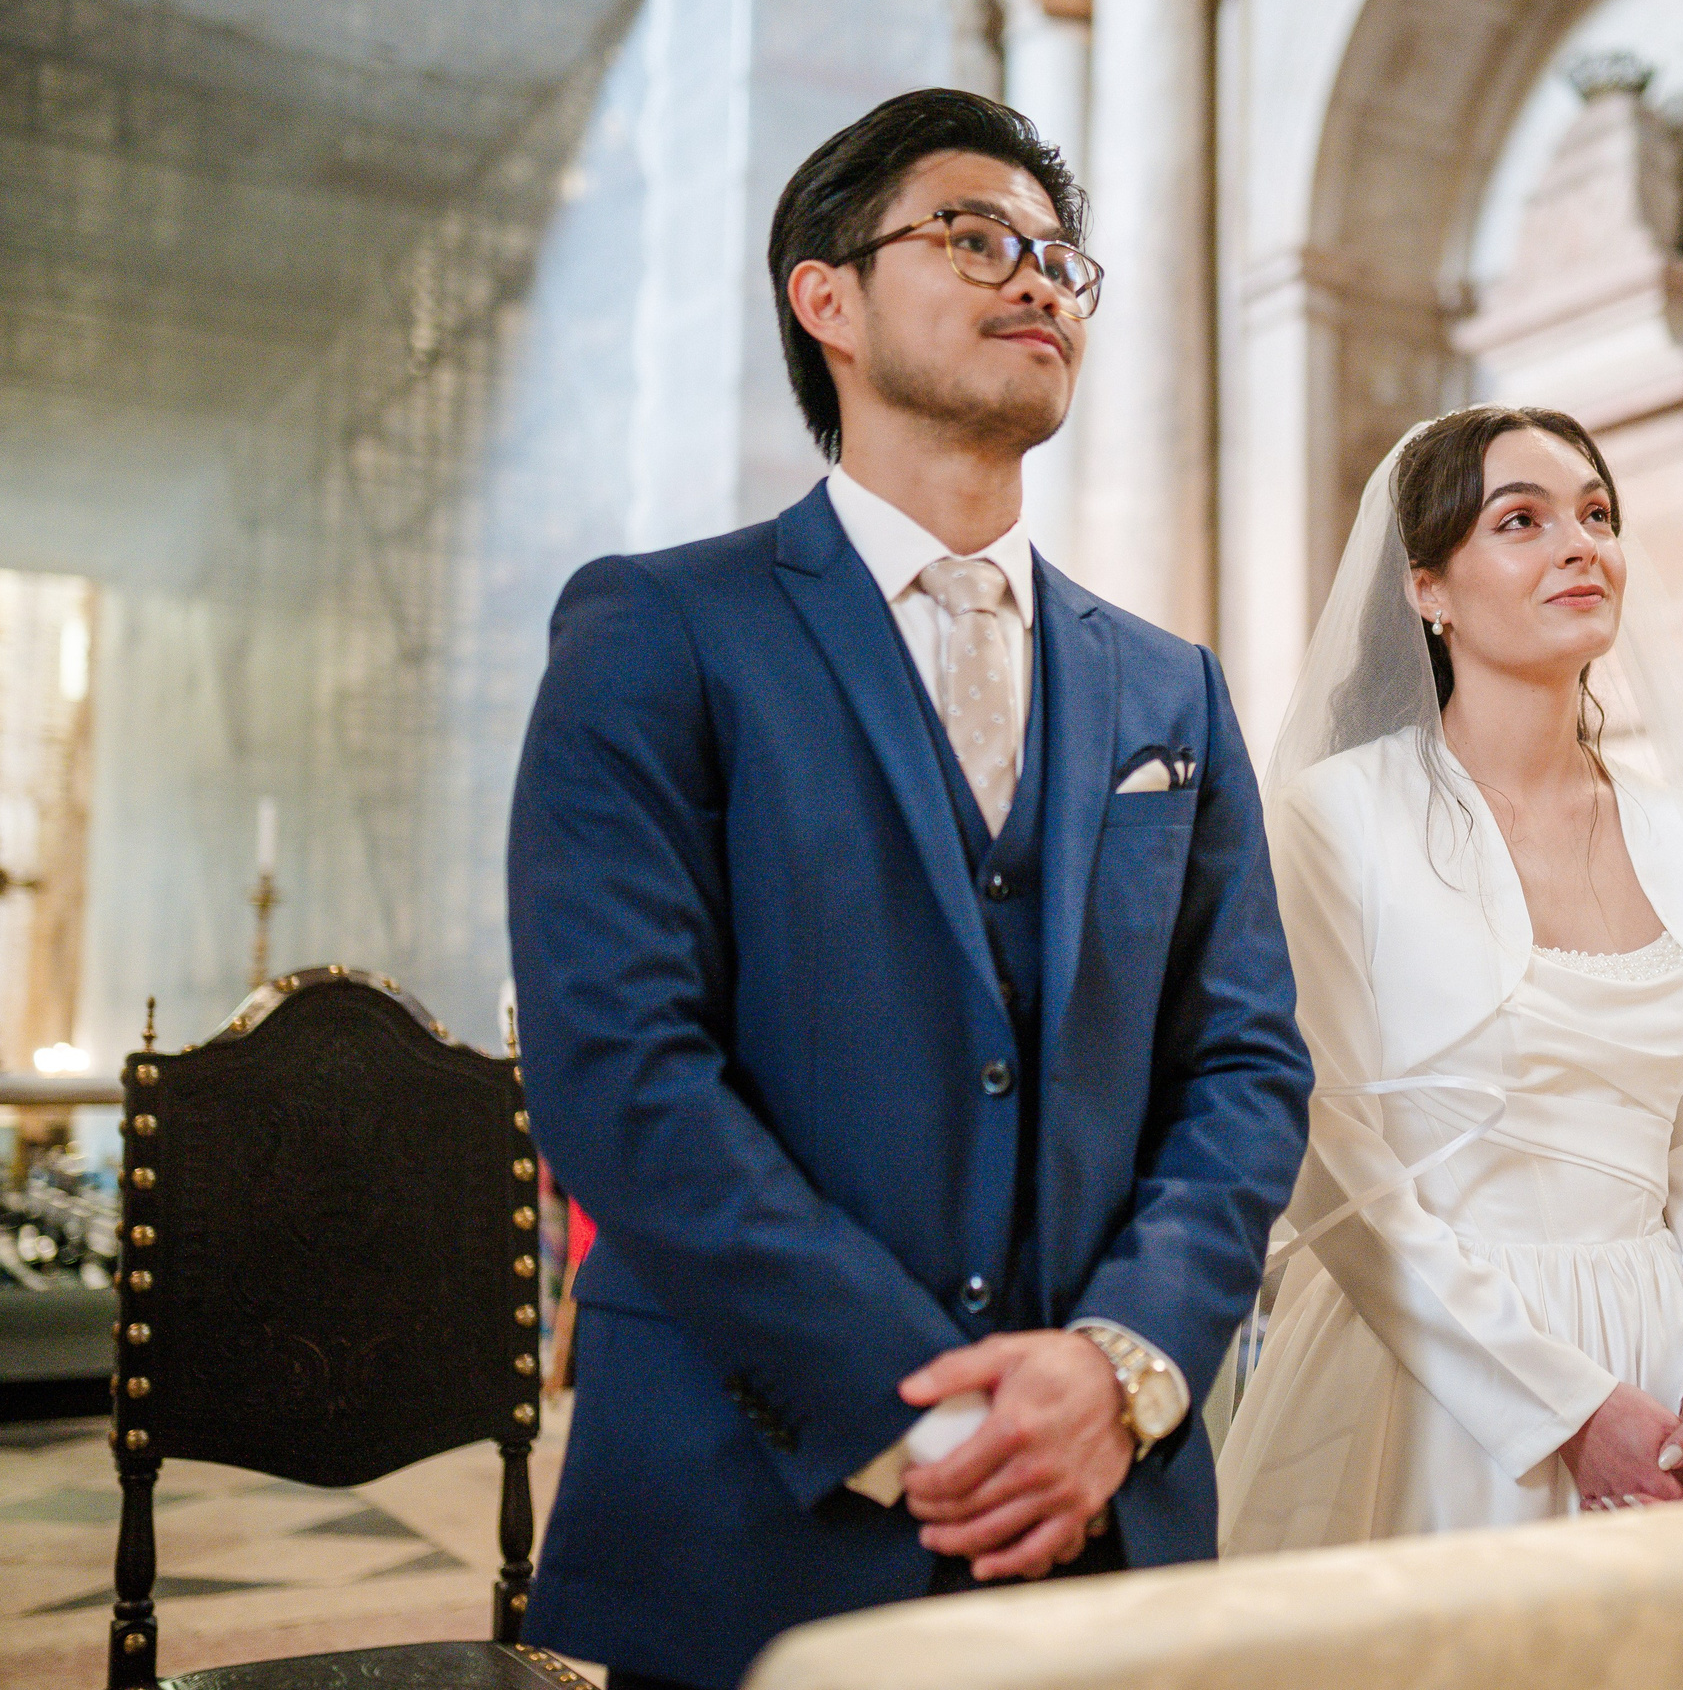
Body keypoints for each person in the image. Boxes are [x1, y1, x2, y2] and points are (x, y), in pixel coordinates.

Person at [506, 90, 1311, 1690]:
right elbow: (621, 1068)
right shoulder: (662, 630)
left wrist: (1120, 1368)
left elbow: (1245, 1063)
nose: (1036, 280)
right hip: (749, 1510)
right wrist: (916, 1403)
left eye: (1060, 259)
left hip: (1109, 1508)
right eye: (974, 236)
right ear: (828, 300)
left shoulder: (1171, 689)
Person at [1214, 406, 1683, 1552]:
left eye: (1596, 515)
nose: (1579, 543)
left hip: (1671, 1365)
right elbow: (1332, 1154)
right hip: (1434, 1380)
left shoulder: (1682, 828)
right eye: (1520, 521)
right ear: (1426, 587)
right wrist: (1569, 1411)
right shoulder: (1334, 817)